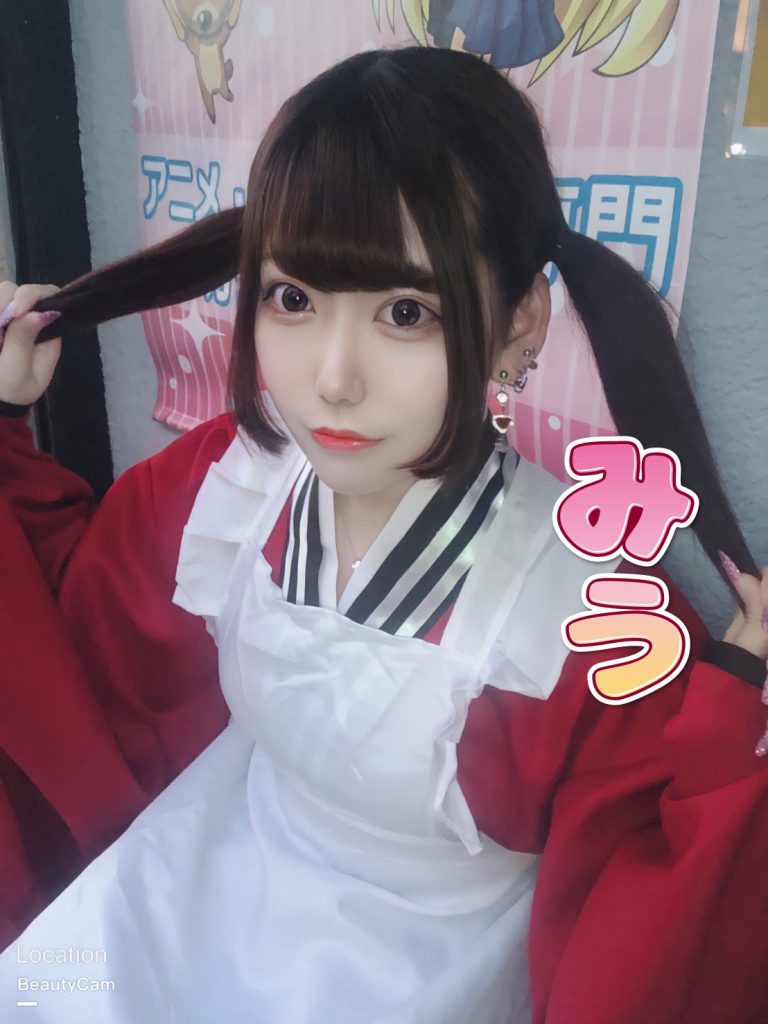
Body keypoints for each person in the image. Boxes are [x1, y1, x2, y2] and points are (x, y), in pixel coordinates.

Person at [0, 45, 767, 1024]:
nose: (332, 379)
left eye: (405, 312)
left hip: (418, 966)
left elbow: (648, 929)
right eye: (293, 299)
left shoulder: (578, 613)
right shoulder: (233, 481)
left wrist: (729, 726)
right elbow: (72, 623)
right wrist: (8, 429)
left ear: (520, 325)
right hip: (210, 868)